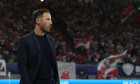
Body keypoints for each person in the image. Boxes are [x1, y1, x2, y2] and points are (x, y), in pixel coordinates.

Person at [17, 9, 60, 84]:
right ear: (38, 21)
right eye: (48, 19)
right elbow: (22, 67)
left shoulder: (51, 40)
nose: (51, 22)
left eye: (51, 20)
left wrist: (57, 81)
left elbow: (54, 64)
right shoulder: (25, 41)